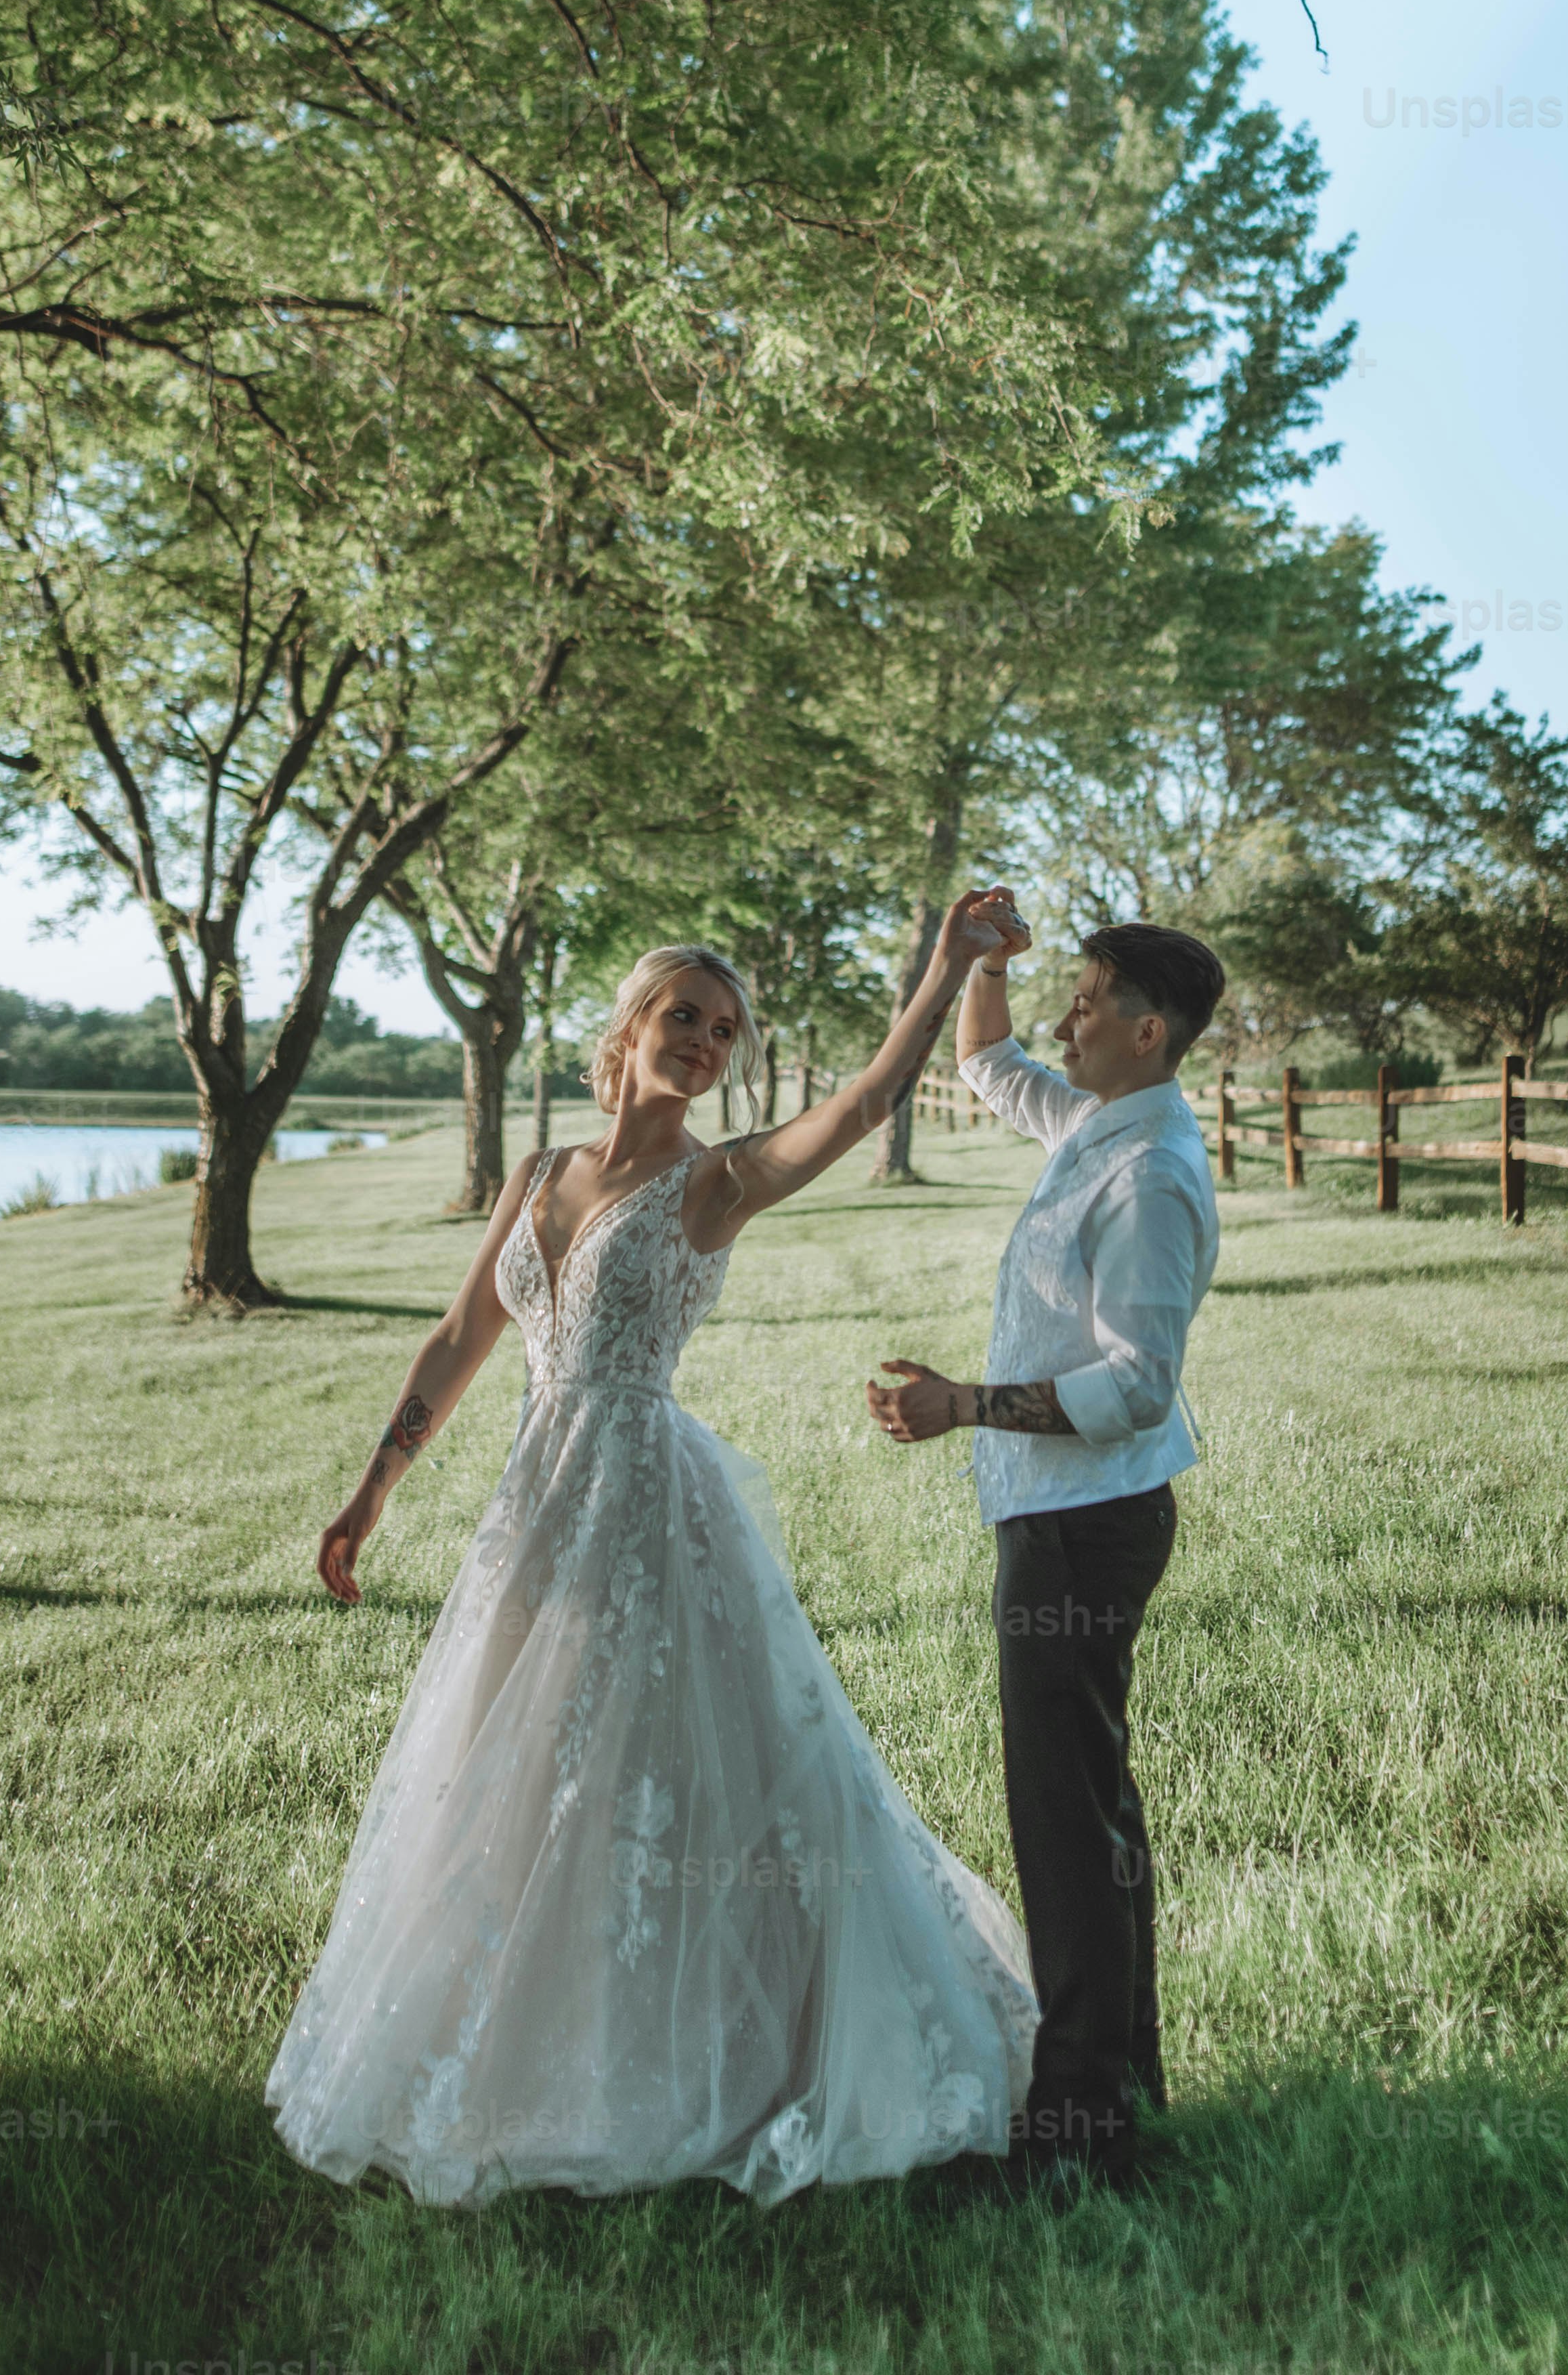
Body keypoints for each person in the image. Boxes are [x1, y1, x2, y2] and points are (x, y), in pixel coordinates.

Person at [265, 895, 1039, 2208]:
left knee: (670, 1775)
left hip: (648, 1509)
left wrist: (950, 964)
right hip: (534, 1506)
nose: (706, 1043)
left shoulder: (716, 1180)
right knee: (507, 1777)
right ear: (630, 1025)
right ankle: (523, 2040)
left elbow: (855, 1107)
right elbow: (462, 1338)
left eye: (726, 1032)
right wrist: (372, 1490)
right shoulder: (542, 1171)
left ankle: (724, 2047)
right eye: (686, 1015)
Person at [865, 916, 1222, 2192]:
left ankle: (1075, 2134)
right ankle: (1123, 2082)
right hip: (1057, 1515)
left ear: (1146, 1033)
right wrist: (988, 962)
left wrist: (966, 1403)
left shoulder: (1153, 1176)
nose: (1065, 1026)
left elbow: (1134, 1382)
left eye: (1087, 1005)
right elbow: (987, 1064)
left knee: (1064, 1821)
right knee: (1093, 1807)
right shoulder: (1096, 1126)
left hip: (1085, 1525)